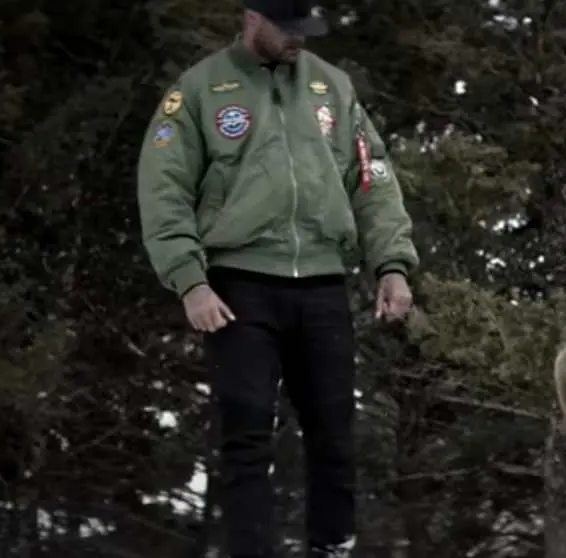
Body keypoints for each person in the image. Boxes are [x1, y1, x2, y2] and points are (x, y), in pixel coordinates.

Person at [135, 0, 419, 556]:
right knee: (245, 436)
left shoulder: (331, 87)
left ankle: (331, 548)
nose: (298, 40)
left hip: (321, 283)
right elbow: (162, 189)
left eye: (305, 30)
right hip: (238, 285)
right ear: (251, 17)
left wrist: (391, 264)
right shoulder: (198, 90)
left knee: (335, 434)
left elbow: (372, 177)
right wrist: (190, 281)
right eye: (287, 28)